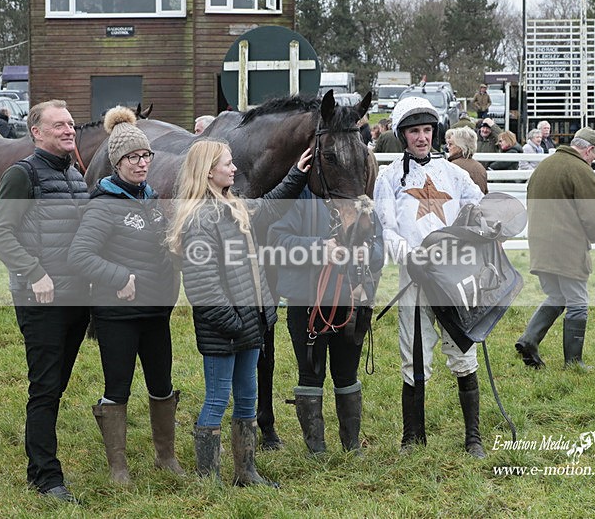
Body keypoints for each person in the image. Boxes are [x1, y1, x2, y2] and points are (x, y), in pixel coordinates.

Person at [166, 139, 311, 485]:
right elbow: (203, 286)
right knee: (217, 400)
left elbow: (271, 207)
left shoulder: (233, 206)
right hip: (226, 329)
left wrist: (297, 174)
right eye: (228, 164)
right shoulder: (200, 219)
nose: (234, 169)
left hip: (248, 325)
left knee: (247, 399)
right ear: (208, 171)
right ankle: (208, 479)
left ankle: (247, 472)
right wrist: (232, 324)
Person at [68, 106, 184, 485]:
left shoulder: (150, 199)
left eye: (145, 156)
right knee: (117, 386)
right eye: (132, 157)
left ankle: (166, 456)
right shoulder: (103, 204)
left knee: (162, 384)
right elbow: (80, 255)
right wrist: (119, 275)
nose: (140, 163)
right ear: (116, 162)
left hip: (155, 312)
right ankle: (118, 467)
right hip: (117, 313)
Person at [0, 100, 91, 503]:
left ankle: (40, 458)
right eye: (59, 125)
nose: (69, 130)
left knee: (57, 384)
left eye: (70, 124)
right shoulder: (21, 175)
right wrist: (34, 273)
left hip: (77, 297)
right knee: (45, 387)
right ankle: (46, 477)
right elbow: (0, 234)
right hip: (41, 298)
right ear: (37, 132)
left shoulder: (76, 176)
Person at [373, 96, 486, 457]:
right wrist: (411, 257)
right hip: (415, 278)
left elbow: (477, 204)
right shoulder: (389, 177)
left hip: (453, 276)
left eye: (426, 130)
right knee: (415, 355)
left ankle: (473, 438)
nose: (421, 137)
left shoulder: (453, 173)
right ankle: (412, 437)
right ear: (402, 135)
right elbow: (385, 229)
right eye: (413, 131)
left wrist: (472, 231)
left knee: (463, 351)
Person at [268, 188, 384, 454]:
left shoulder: (361, 201)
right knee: (311, 373)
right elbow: (277, 240)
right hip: (308, 303)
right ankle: (316, 449)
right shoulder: (301, 199)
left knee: (347, 373)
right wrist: (320, 248)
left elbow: (379, 245)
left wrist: (369, 253)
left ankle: (351, 445)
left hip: (352, 303)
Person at [514, 127, 595, 370]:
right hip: (567, 247)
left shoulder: (544, 165)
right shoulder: (580, 169)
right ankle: (574, 363)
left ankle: (528, 340)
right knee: (577, 302)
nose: (592, 162)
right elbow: (593, 214)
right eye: (594, 157)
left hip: (540, 244)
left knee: (557, 296)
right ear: (588, 150)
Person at [446, 126, 488, 194]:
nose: (447, 147)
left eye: (450, 144)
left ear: (461, 147)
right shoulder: (480, 167)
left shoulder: (451, 167)